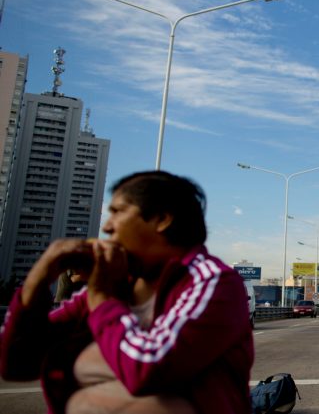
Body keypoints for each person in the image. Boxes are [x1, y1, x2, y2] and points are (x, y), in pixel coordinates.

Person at [0, 171, 254, 414]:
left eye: (118, 211)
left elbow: (147, 369)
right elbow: (16, 364)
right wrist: (37, 282)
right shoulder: (116, 285)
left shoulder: (211, 281)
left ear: (162, 219)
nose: (108, 227)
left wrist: (102, 298)